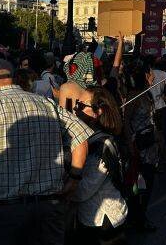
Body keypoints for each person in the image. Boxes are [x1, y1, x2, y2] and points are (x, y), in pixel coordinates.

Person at [0, 59, 92, 245]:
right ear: (14, 80)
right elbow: (81, 137)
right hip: (48, 209)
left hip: (0, 211)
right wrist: (74, 178)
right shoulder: (48, 104)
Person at [69, 86, 128, 245]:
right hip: (90, 217)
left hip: (104, 221)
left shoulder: (103, 145)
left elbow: (83, 191)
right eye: (76, 104)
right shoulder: (87, 137)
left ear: (98, 111)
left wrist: (62, 191)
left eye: (81, 106)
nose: (75, 109)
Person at [123, 59, 159, 231]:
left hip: (150, 145)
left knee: (148, 183)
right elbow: (126, 122)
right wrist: (131, 146)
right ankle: (136, 218)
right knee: (138, 186)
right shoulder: (133, 96)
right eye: (149, 73)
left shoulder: (147, 93)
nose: (151, 76)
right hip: (138, 147)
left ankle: (140, 216)